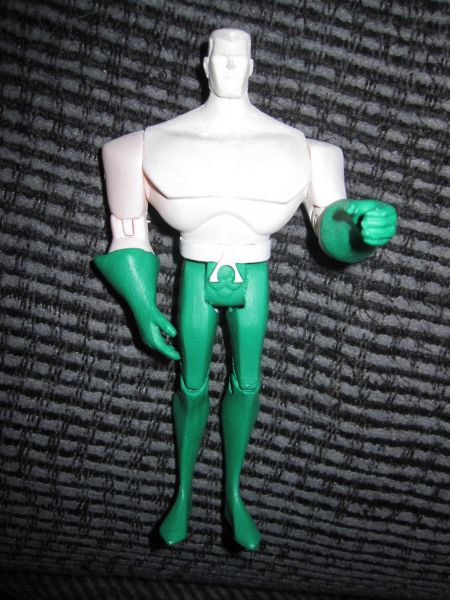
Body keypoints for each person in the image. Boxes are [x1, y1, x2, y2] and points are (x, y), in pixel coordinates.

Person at [95, 28, 397, 551]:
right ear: (206, 64)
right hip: (195, 273)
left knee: (249, 383)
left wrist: (359, 227)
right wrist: (141, 303)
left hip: (254, 274)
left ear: (252, 66)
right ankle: (183, 494)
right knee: (191, 385)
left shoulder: (304, 150)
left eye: (240, 59)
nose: (231, 67)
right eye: (222, 57)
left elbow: (328, 222)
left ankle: (233, 493)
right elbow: (127, 231)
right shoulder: (142, 146)